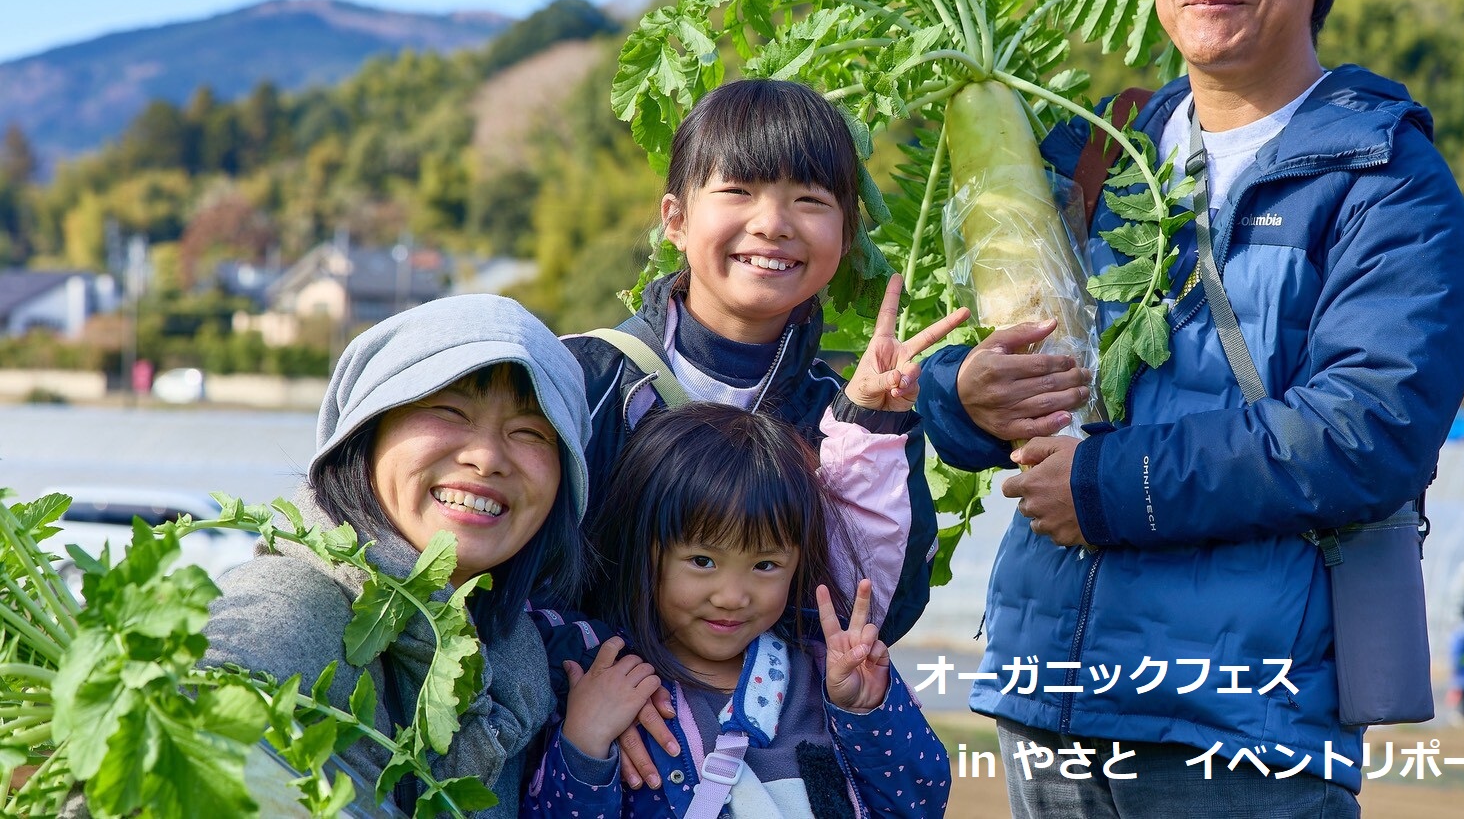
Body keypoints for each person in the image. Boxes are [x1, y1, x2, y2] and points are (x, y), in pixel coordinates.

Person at [915, 0, 1464, 817]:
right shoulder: (1091, 152)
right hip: (1047, 710)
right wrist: (964, 395)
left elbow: (1368, 429)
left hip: (1240, 736)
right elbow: (981, 367)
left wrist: (1108, 487)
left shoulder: (1386, 181)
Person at [564, 78, 938, 648]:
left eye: (810, 200)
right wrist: (593, 676)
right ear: (677, 219)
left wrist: (873, 429)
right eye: (738, 191)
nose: (773, 224)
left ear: (847, 234)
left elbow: (883, 610)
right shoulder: (586, 382)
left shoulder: (849, 417)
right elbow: (519, 584)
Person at [203, 293, 593, 818]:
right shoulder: (282, 616)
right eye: (450, 411)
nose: (486, 458)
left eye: (529, 433)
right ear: (365, 432)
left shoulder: (513, 657)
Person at [525, 402, 952, 817]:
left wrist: (866, 712)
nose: (732, 596)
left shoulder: (824, 678)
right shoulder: (605, 684)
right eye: (702, 561)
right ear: (644, 550)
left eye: (765, 565)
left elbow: (920, 803)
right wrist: (583, 745)